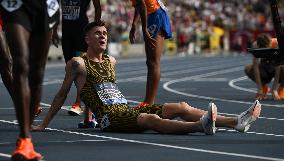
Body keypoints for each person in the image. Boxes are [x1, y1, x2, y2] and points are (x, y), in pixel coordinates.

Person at [33, 20, 261, 136]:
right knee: (149, 119)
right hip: (110, 120)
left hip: (125, 110)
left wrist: (87, 118)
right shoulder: (77, 63)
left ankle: (235, 122)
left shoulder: (112, 61)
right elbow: (63, 94)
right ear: (87, 39)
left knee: (180, 105)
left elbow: (103, 91)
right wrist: (44, 125)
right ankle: (200, 126)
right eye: (97, 34)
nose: (103, 36)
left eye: (104, 33)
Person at [1, 0, 60, 161]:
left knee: (37, 73)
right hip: (15, 4)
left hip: (47, 6)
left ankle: (27, 139)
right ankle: (24, 137)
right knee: (20, 64)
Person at [52, 0, 101, 116]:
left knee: (80, 68)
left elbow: (98, 7)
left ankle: (78, 103)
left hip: (81, 32)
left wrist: (95, 28)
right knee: (70, 69)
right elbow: (54, 8)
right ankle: (85, 101)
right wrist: (54, 30)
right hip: (66, 33)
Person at [129, 0, 172, 107]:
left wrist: (143, 29)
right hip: (151, 14)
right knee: (150, 62)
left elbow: (142, 5)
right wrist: (134, 23)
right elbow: (138, 4)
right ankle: (147, 102)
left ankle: (149, 103)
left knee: (153, 61)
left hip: (156, 14)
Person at [244, 33, 284, 100]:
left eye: (266, 48)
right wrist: (260, 88)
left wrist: (274, 89)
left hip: (275, 67)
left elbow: (278, 67)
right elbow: (255, 67)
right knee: (248, 69)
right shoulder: (255, 45)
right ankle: (263, 87)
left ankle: (281, 89)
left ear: (270, 43)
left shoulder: (277, 44)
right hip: (265, 67)